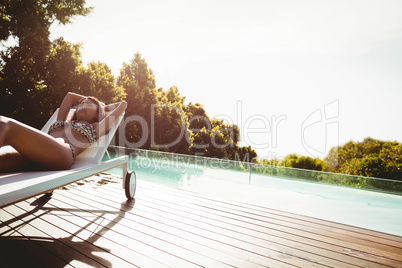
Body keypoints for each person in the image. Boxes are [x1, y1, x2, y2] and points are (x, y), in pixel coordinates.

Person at [0, 92, 127, 172]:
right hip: (34, 153)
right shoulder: (62, 121)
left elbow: (122, 104)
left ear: (97, 114)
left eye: (89, 105)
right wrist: (89, 101)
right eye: (81, 105)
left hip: (62, 155)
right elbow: (69, 96)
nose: (83, 106)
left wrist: (101, 107)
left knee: (4, 124)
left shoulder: (96, 127)